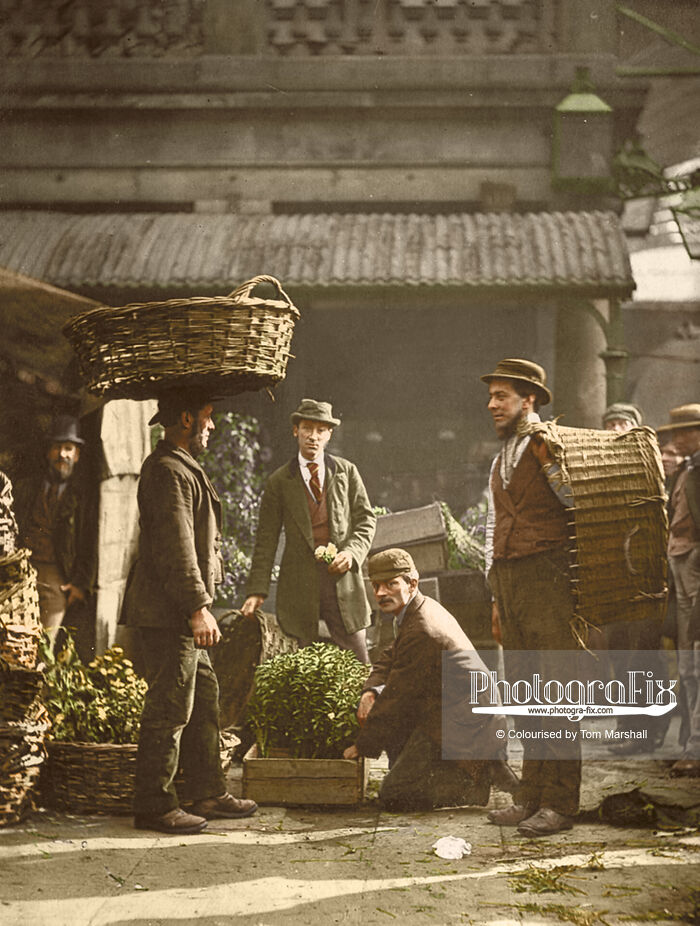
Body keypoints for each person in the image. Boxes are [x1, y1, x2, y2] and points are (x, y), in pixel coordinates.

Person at [121, 390, 258, 834]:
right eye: (207, 416)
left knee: (204, 700)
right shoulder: (167, 471)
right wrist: (198, 607)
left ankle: (207, 792)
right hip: (169, 613)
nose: (212, 426)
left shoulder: (180, 466)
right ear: (186, 418)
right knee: (170, 707)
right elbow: (176, 548)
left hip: (177, 610)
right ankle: (154, 805)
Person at [482, 358, 581, 837]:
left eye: (501, 396)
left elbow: (577, 502)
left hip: (549, 579)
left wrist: (551, 463)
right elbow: (492, 524)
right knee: (524, 692)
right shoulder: (502, 455)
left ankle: (560, 804)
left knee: (556, 692)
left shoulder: (549, 445)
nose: (492, 404)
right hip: (510, 582)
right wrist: (494, 594)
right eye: (491, 396)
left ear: (530, 400)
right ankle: (531, 797)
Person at [342, 548, 517, 811]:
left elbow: (398, 696)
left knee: (393, 795)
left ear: (412, 583)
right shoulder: (418, 608)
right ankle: (473, 768)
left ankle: (475, 782)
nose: (380, 593)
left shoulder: (422, 627)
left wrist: (362, 745)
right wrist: (370, 691)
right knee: (399, 757)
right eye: (376, 586)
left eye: (391, 584)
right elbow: (390, 655)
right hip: (449, 713)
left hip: (467, 725)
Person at [242, 398, 376, 663]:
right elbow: (266, 539)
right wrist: (257, 590)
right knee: (303, 665)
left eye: (320, 430)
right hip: (299, 587)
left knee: (359, 665)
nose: (313, 437)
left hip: (342, 584)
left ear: (329, 435)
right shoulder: (279, 481)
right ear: (296, 431)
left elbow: (366, 521)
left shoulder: (346, 473)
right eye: (307, 428)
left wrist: (351, 554)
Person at [14, 415, 97, 657]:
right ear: (48, 452)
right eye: (57, 447)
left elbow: (90, 543)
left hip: (57, 578)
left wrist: (81, 584)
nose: (62, 454)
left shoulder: (83, 497)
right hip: (22, 573)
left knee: (43, 647)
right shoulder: (28, 488)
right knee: (15, 642)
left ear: (77, 455)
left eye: (68, 448)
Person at [657, 404, 700, 777]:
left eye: (684, 431)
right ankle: (689, 743)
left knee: (697, 661)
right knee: (687, 663)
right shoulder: (687, 469)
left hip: (694, 565)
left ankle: (695, 749)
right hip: (681, 563)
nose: (676, 438)